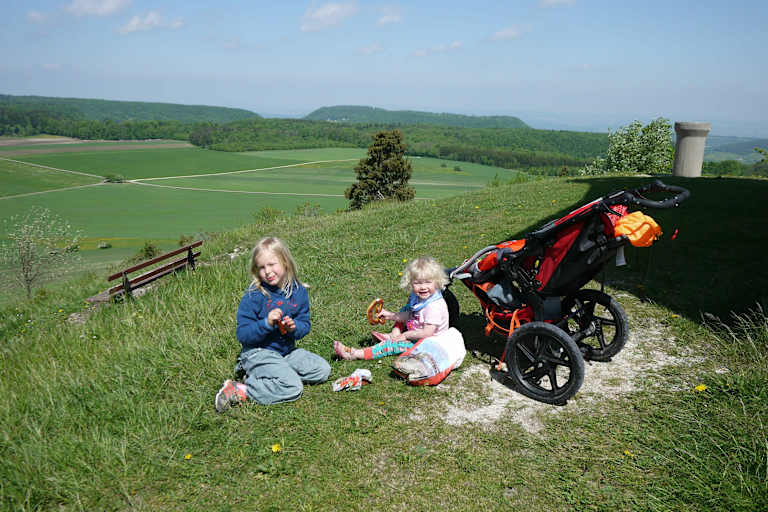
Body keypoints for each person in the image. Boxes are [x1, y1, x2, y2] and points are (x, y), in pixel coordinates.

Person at [215, 236, 330, 412]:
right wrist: (266, 323)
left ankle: (273, 375)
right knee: (293, 387)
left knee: (322, 370)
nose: (267, 272)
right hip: (258, 352)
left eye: (272, 264)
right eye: (261, 267)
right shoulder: (254, 295)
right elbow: (243, 334)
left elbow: (305, 325)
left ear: (285, 262)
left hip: (286, 352)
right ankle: (241, 388)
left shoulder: (297, 292)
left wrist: (294, 328)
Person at [333, 256, 450, 361]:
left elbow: (426, 333)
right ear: (410, 283)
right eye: (418, 283)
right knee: (406, 309)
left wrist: (405, 335)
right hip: (417, 333)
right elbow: (410, 315)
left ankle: (355, 354)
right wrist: (390, 316)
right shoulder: (419, 298)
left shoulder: (434, 307)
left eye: (428, 282)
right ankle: (393, 334)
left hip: (428, 345)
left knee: (390, 346)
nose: (423, 287)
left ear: (437, 282)